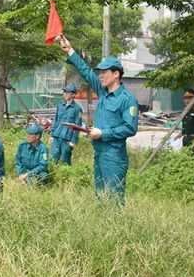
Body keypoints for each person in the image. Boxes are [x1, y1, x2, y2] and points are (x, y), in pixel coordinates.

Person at [58, 35, 138, 205]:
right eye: (100, 72)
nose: (100, 76)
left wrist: (103, 133)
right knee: (100, 198)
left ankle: (116, 230)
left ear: (116, 74)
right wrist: (70, 51)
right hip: (99, 153)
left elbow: (130, 128)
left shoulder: (127, 99)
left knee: (114, 200)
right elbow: (86, 72)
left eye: (104, 72)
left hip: (114, 156)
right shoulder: (102, 92)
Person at [50, 83, 83, 165]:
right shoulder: (60, 105)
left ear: (73, 94)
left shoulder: (77, 109)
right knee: (53, 158)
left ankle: (66, 176)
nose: (65, 94)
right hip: (57, 136)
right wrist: (52, 135)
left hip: (67, 139)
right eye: (64, 92)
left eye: (67, 92)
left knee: (65, 160)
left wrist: (73, 141)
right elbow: (55, 120)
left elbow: (77, 126)